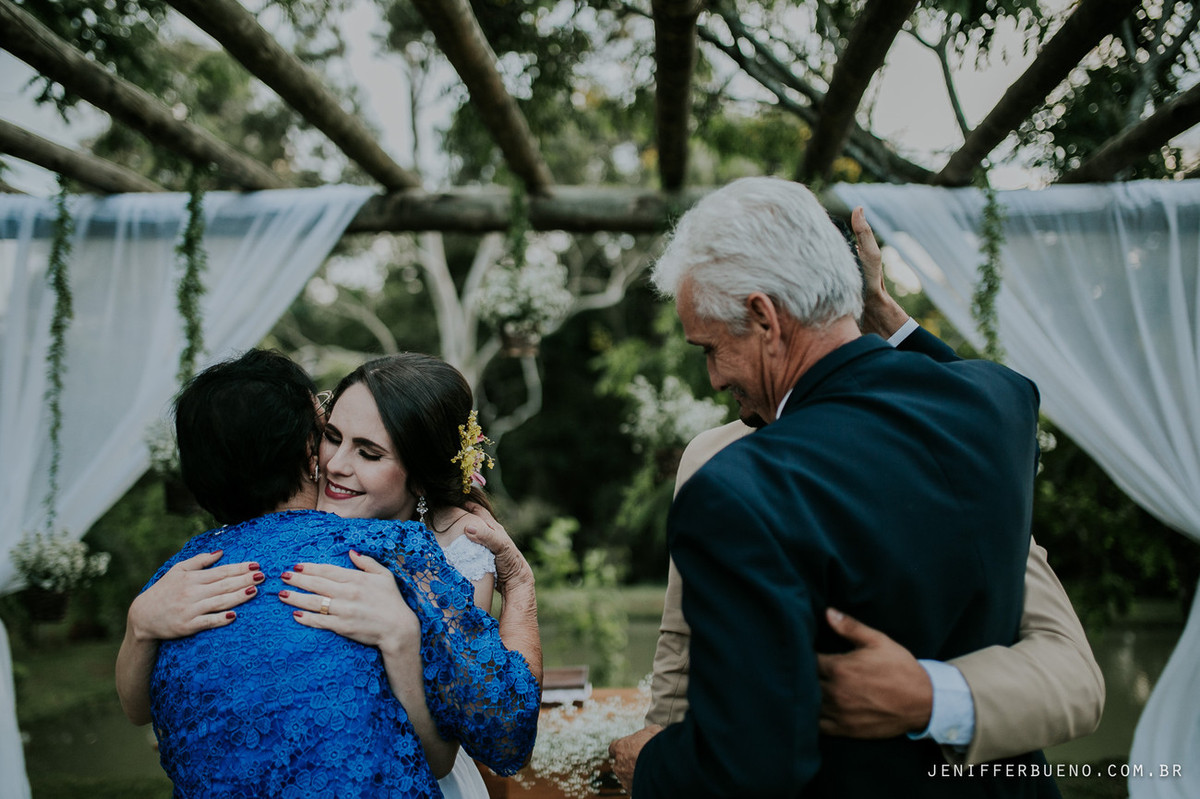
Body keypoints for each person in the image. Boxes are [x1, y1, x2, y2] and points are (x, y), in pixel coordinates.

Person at [612, 208, 1102, 769]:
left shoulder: (948, 452)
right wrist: (663, 735)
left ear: (767, 318)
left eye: (709, 349)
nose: (714, 378)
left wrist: (655, 771)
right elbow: (684, 642)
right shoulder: (714, 459)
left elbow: (1071, 677)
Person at [115, 350, 539, 797]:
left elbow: (453, 744)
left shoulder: (441, 550)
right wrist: (140, 624)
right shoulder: (203, 571)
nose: (336, 464)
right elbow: (138, 705)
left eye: (369, 452)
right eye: (330, 436)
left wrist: (402, 637)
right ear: (306, 448)